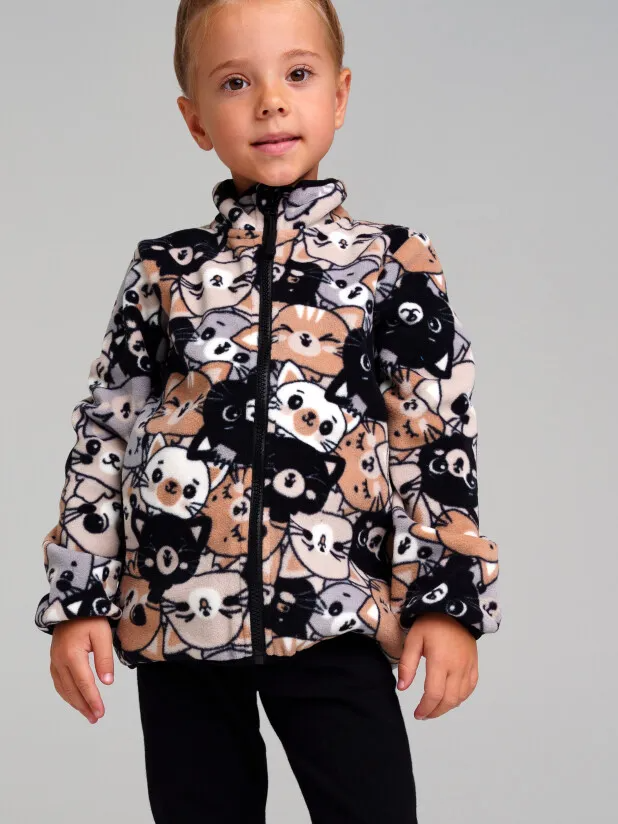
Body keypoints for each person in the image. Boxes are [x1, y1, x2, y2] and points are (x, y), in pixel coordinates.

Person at [33, 1, 502, 821]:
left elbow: (431, 437)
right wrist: (79, 601)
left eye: (298, 74)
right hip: (177, 617)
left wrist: (444, 600)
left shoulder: (393, 262)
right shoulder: (164, 271)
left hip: (335, 610)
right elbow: (105, 432)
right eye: (235, 82)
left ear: (340, 96)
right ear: (195, 120)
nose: (271, 102)